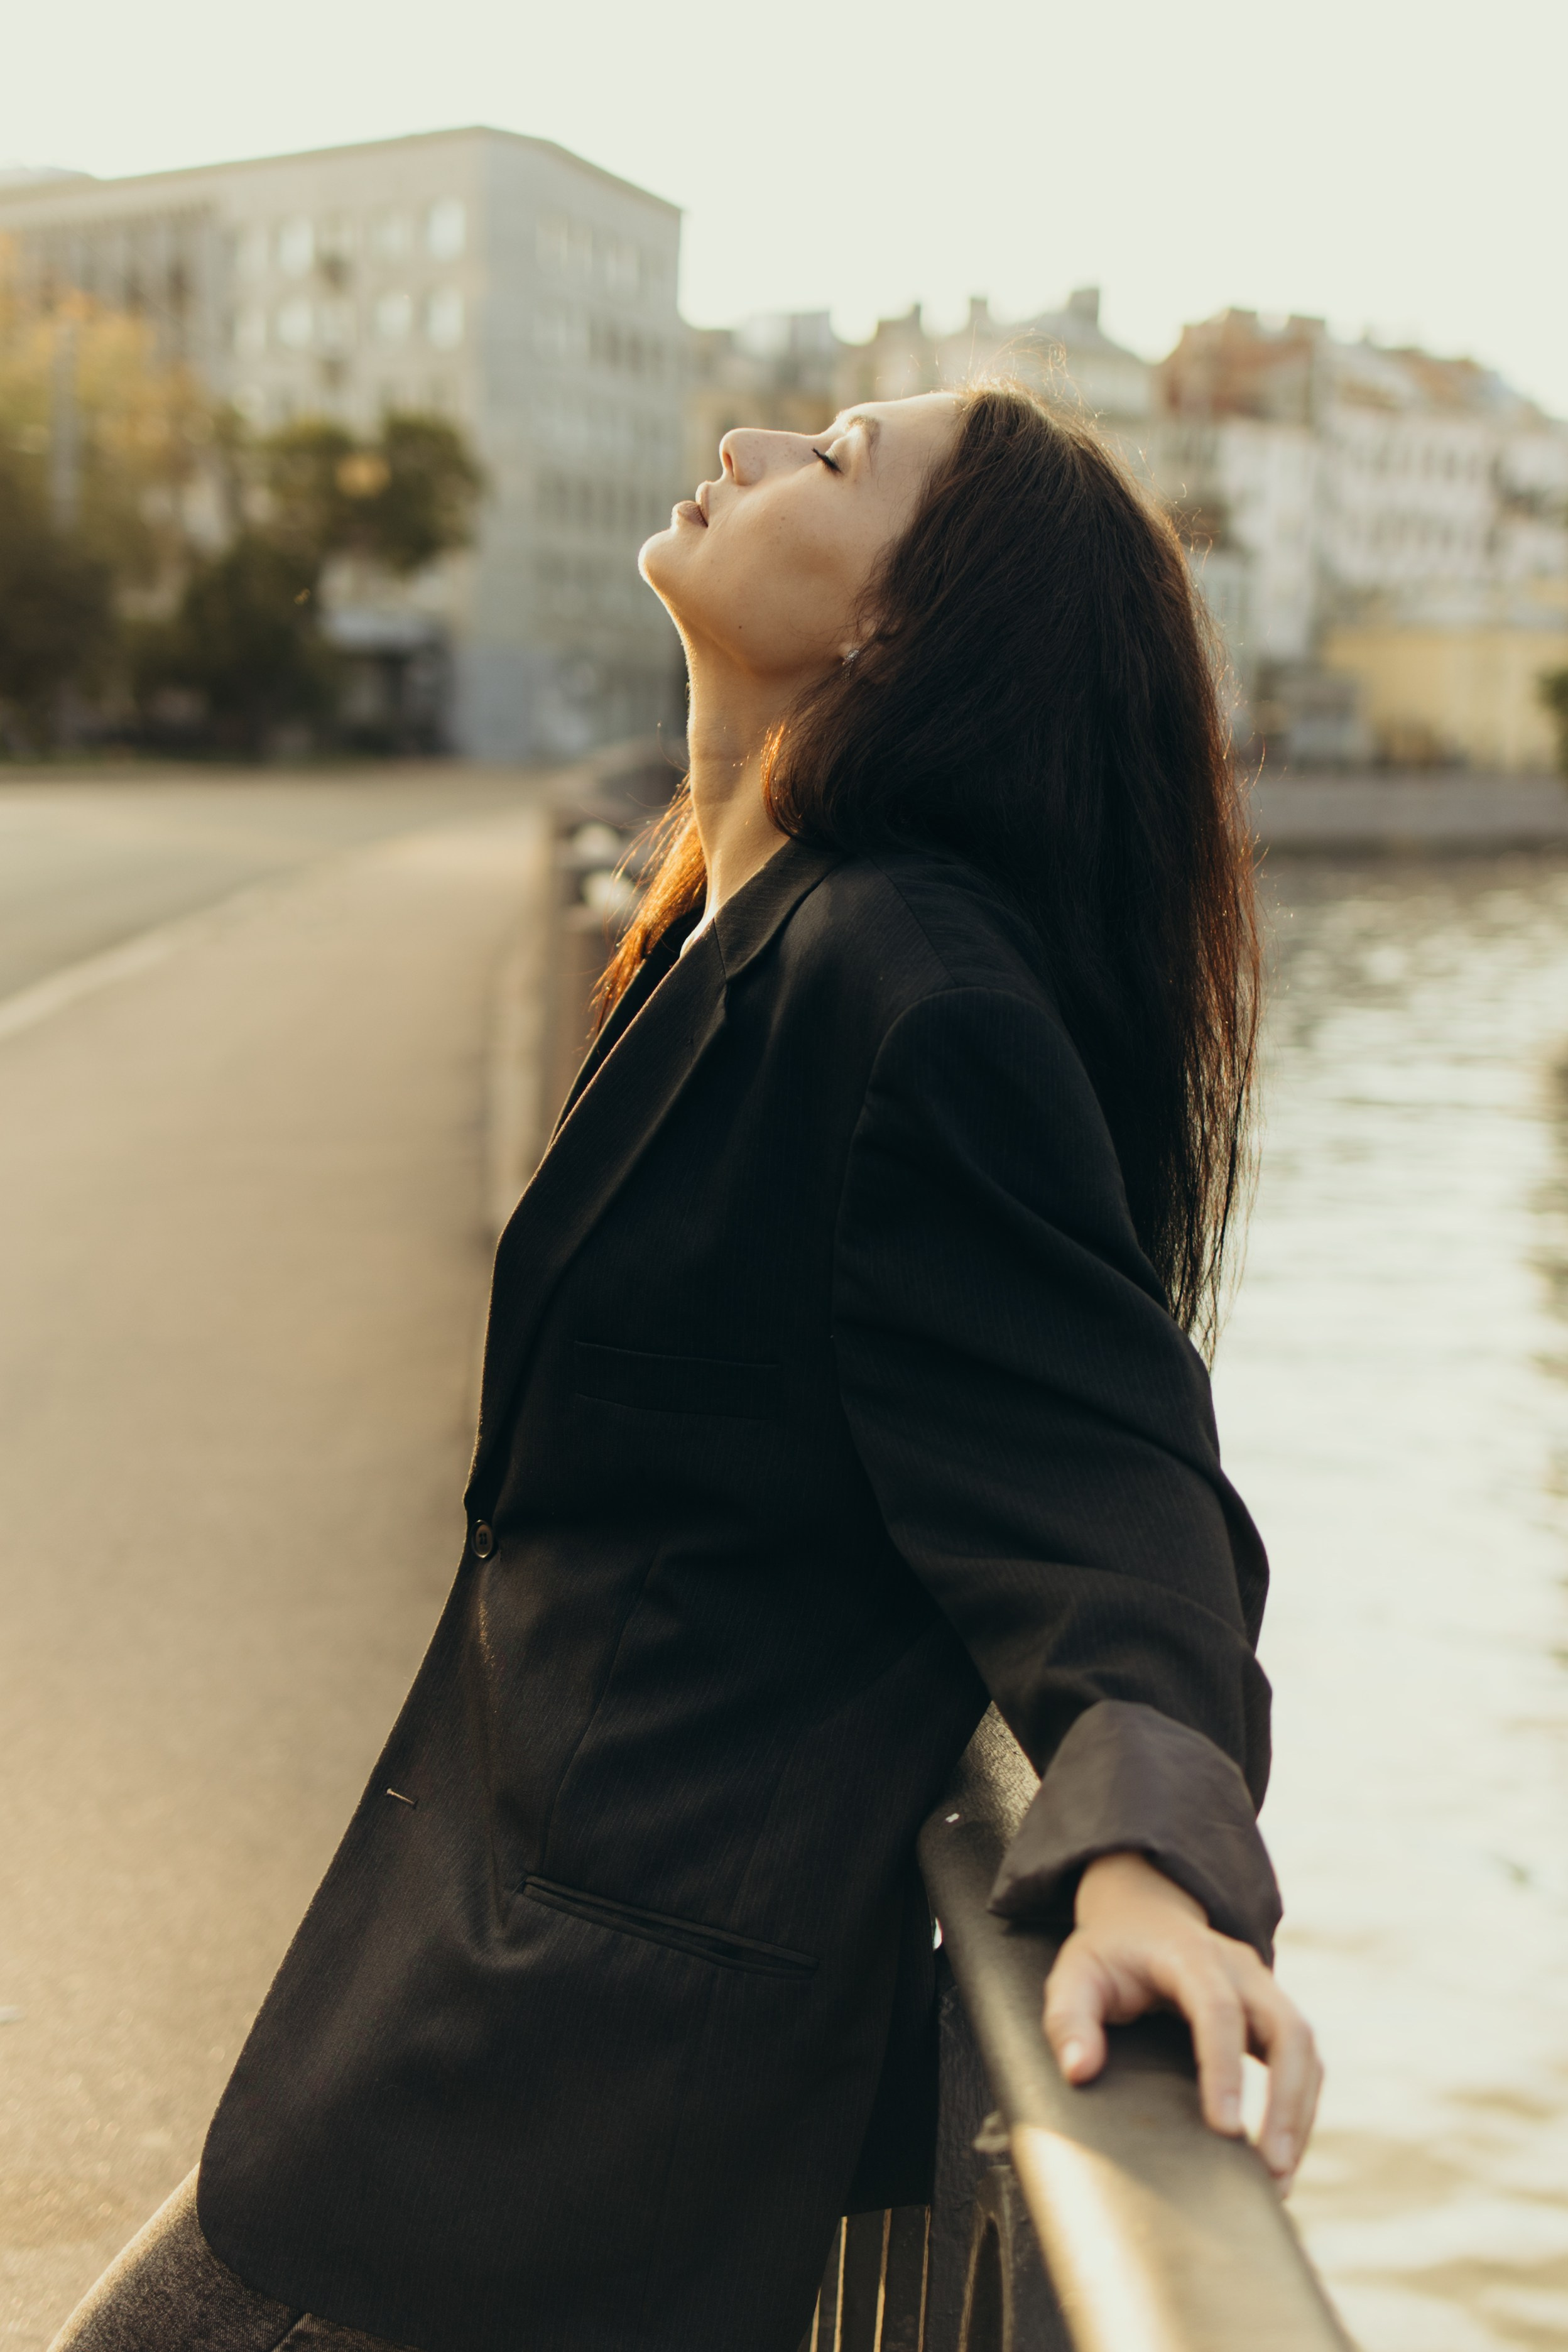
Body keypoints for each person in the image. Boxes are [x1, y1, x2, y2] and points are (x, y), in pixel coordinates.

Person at [53, 383, 1320, 2352]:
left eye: (837, 461)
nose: (753, 448)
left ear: (908, 628)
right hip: (466, 2015)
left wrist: (1153, 1865)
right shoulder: (736, 930)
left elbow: (1126, 1492)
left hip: (571, 2095)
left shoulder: (915, 991)